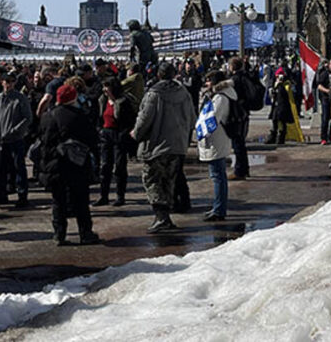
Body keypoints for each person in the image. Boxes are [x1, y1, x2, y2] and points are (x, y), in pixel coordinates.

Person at [132, 63, 193, 234]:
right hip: (177, 145)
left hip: (156, 145)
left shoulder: (154, 94)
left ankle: (161, 217)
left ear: (158, 75)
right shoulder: (184, 93)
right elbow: (192, 119)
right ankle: (165, 216)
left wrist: (136, 134)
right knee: (169, 181)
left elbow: (144, 119)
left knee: (152, 180)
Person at [39, 84, 101, 246]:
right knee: (81, 200)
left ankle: (59, 234)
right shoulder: (80, 116)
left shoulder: (48, 117)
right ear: (73, 98)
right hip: (76, 165)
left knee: (58, 201)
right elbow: (92, 139)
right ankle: (85, 233)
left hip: (54, 165)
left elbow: (42, 141)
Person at [197, 71, 235, 221]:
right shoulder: (222, 95)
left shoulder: (220, 97)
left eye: (208, 81)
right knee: (218, 175)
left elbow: (213, 119)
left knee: (218, 176)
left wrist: (203, 133)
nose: (206, 84)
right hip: (219, 138)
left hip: (217, 138)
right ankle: (218, 207)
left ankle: (219, 209)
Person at [95, 75, 138, 207]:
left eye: (107, 87)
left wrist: (124, 134)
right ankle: (104, 195)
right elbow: (99, 118)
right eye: (104, 87)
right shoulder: (102, 101)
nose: (105, 90)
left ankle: (120, 195)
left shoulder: (123, 102)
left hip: (119, 134)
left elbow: (131, 120)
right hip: (106, 134)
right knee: (105, 166)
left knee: (120, 167)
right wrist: (100, 130)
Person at [0, 72, 33, 207]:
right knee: (1, 170)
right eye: (6, 81)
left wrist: (15, 131)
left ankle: (22, 196)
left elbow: (27, 118)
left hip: (16, 140)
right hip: (1, 141)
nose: (8, 84)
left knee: (19, 168)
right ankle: (1, 194)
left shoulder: (21, 99)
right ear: (2, 82)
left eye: (11, 81)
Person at [226, 58, 258, 180]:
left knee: (237, 143)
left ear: (232, 67)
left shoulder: (235, 80)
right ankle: (244, 169)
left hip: (237, 113)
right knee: (241, 143)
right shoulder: (245, 77)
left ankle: (240, 170)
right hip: (244, 112)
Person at [268, 68, 296, 145]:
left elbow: (287, 93)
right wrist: (274, 87)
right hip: (276, 104)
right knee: (274, 120)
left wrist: (281, 84)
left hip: (283, 105)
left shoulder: (286, 83)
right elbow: (272, 93)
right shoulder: (275, 83)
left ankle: (281, 137)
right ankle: (273, 136)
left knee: (282, 122)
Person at [315, 60, 331, 144]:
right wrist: (327, 91)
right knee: (325, 118)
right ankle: (324, 137)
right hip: (325, 99)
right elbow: (319, 86)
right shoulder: (324, 74)